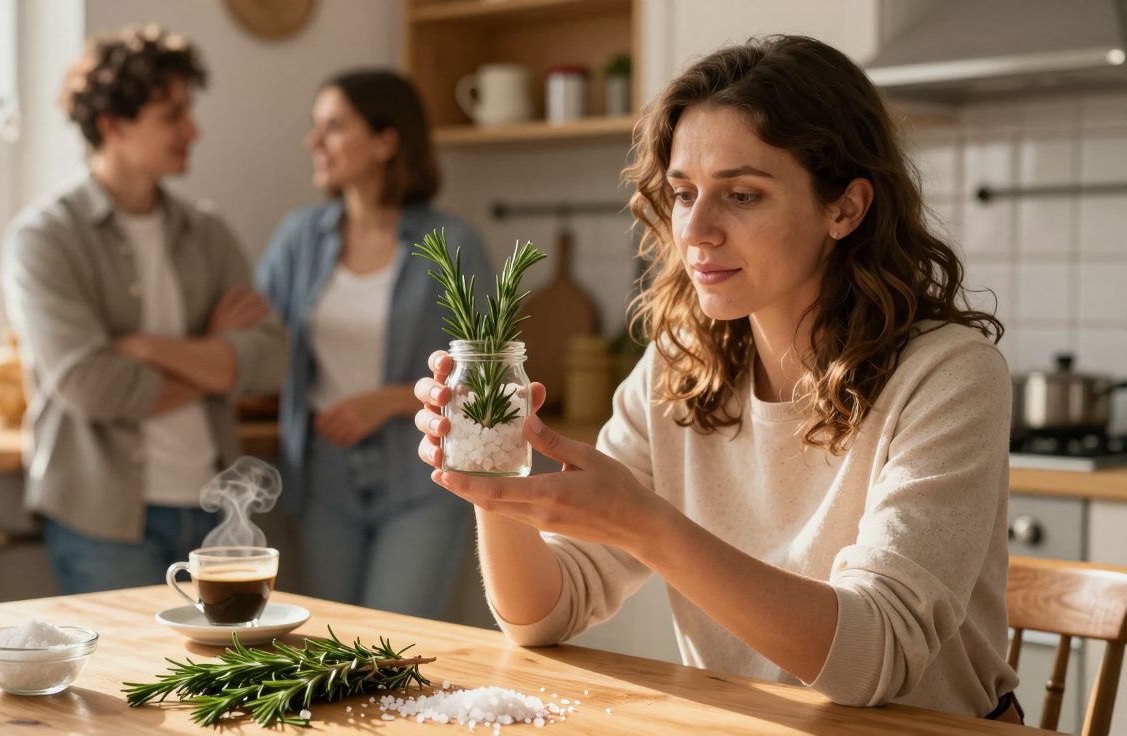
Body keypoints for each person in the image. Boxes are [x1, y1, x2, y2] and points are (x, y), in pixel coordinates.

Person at [414, 35, 1023, 724]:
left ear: (846, 209)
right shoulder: (680, 366)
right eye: (682, 194)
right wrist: (491, 472)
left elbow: (872, 656)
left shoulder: (948, 375)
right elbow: (543, 613)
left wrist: (648, 527)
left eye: (742, 194)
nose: (696, 230)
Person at [3, 25, 286, 594]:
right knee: (128, 684)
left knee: (224, 681)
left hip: (215, 506)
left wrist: (146, 348)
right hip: (101, 518)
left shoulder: (207, 232)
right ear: (113, 124)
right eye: (171, 114)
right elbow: (92, 385)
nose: (192, 129)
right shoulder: (45, 237)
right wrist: (211, 354)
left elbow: (269, 360)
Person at [256, 70, 490, 618]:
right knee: (332, 646)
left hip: (423, 473)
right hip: (323, 477)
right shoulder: (299, 238)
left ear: (387, 140)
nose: (314, 142)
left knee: (391, 645)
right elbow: (261, 342)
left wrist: (386, 400)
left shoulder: (451, 243)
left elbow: (487, 372)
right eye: (316, 128)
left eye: (334, 127)